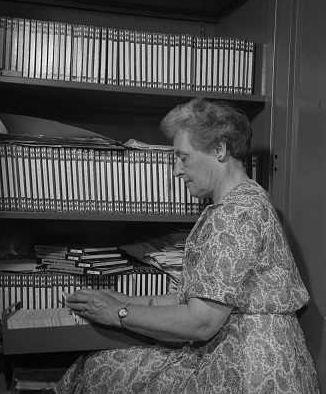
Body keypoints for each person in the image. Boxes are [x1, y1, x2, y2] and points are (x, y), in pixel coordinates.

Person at [54, 98, 320, 393]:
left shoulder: (235, 214)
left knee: (102, 369)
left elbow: (200, 321)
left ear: (220, 150)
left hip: (249, 370)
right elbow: (195, 301)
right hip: (251, 355)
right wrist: (120, 299)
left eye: (184, 157)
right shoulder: (248, 199)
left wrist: (119, 313)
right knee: (105, 367)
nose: (176, 171)